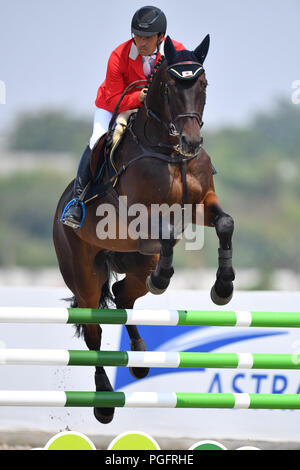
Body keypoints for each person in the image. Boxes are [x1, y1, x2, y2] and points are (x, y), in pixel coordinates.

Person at [61, 6, 185, 229]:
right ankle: (77, 202)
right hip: (115, 105)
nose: (141, 42)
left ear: (161, 37)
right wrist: (138, 97)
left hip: (153, 111)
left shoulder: (175, 52)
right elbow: (112, 99)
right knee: (97, 138)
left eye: (147, 37)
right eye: (137, 36)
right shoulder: (118, 56)